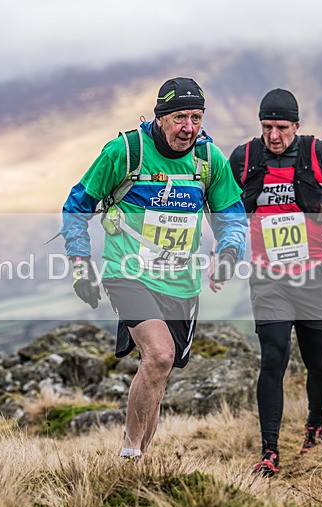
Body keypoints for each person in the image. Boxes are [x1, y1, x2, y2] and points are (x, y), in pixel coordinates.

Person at [60, 77, 247, 460]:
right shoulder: (125, 152)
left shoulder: (209, 160)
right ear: (160, 117)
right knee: (159, 355)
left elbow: (232, 217)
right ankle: (129, 453)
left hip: (180, 281)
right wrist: (81, 265)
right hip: (127, 271)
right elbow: (76, 207)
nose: (189, 128)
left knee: (159, 376)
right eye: (180, 117)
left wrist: (228, 251)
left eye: (196, 117)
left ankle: (138, 464)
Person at [225, 88, 322, 476]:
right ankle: (269, 451)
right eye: (267, 127)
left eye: (282, 127)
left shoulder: (317, 153)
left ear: (296, 126)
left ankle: (314, 424)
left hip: (315, 275)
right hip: (268, 277)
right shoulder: (245, 158)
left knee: (317, 361)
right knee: (273, 359)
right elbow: (220, 204)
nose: (273, 135)